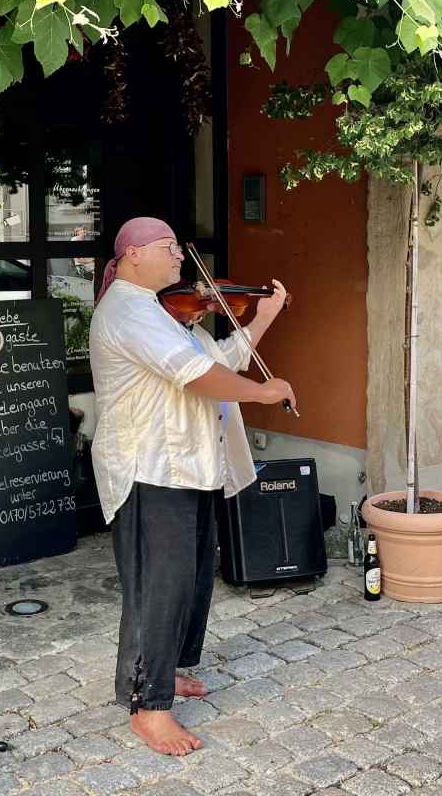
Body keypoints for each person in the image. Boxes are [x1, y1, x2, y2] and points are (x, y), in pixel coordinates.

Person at [89, 216, 294, 756]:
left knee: (191, 578)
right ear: (132, 255)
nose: (180, 257)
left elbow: (217, 360)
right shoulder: (129, 312)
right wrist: (263, 392)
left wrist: (263, 319)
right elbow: (198, 377)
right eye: (168, 247)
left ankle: (162, 671)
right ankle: (149, 706)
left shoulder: (167, 315)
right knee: (159, 587)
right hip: (149, 468)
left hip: (186, 466)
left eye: (178, 248)